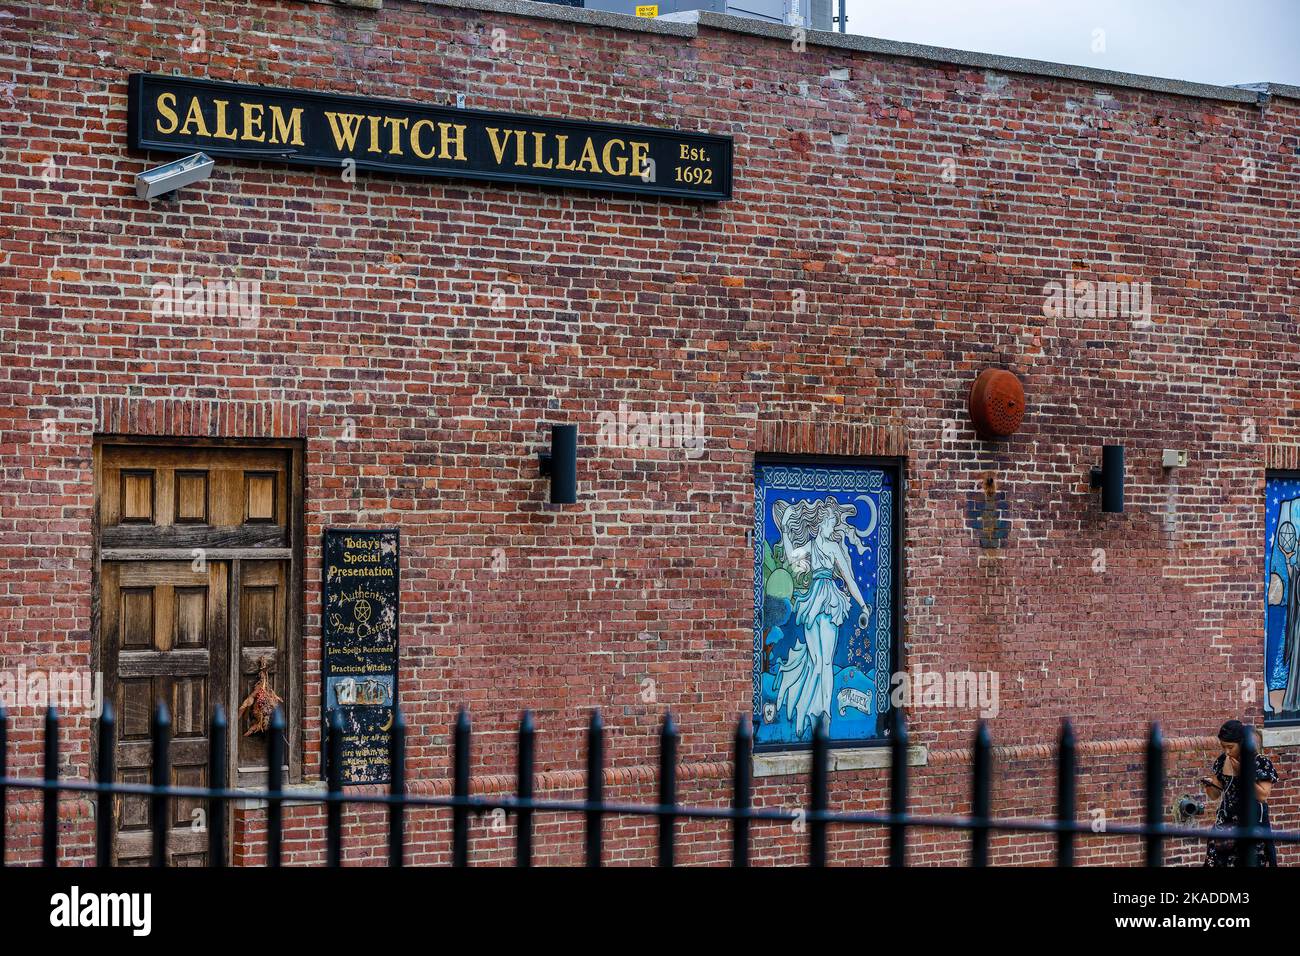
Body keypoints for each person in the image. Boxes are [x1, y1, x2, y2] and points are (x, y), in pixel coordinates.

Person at [1200, 720, 1278, 867]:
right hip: (1225, 824)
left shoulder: (1260, 762)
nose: (1227, 751)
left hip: (1251, 824)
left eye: (1230, 747)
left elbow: (1263, 796)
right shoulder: (1222, 761)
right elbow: (1215, 795)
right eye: (1223, 747)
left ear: (1241, 743)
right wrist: (1209, 785)